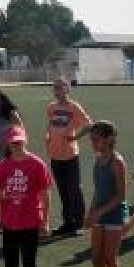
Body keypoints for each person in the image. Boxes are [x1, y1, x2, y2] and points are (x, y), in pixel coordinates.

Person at [0, 125, 54, 267]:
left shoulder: (37, 164)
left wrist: (45, 221)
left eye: (19, 141)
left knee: (29, 264)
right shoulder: (3, 166)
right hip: (10, 223)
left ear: (26, 140)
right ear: (8, 144)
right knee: (10, 265)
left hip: (30, 222)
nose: (17, 145)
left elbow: (45, 195)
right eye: (13, 142)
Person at [84, 121, 131, 267]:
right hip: (99, 214)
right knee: (96, 257)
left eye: (96, 139)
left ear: (109, 139)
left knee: (110, 258)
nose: (93, 143)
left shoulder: (117, 162)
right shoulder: (98, 160)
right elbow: (98, 190)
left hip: (114, 215)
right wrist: (90, 212)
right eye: (91, 139)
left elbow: (121, 195)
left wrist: (99, 212)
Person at [46, 77, 93, 236]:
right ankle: (67, 223)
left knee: (74, 190)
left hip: (70, 155)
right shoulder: (51, 107)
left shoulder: (74, 107)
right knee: (63, 191)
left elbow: (89, 124)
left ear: (68, 89)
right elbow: (50, 124)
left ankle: (79, 223)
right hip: (55, 156)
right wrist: (48, 136)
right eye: (55, 87)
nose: (57, 90)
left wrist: (75, 137)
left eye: (60, 87)